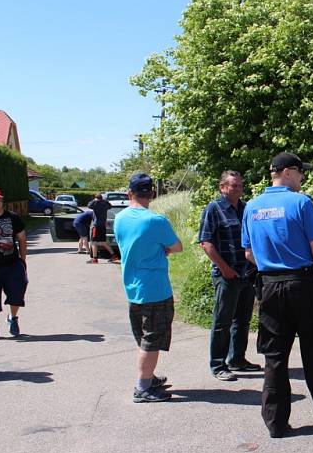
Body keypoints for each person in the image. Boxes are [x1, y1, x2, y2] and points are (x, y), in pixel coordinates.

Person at [242, 152, 313, 438]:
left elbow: (249, 253)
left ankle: (276, 422)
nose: (302, 178)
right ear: (288, 172)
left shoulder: (251, 207)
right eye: (301, 172)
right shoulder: (301, 202)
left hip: (269, 286)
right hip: (302, 284)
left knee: (274, 357)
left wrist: (271, 264)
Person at [114, 174, 183, 403]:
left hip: (133, 286)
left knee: (143, 336)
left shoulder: (120, 218)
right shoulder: (155, 220)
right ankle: (142, 387)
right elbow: (177, 246)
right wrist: (164, 250)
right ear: (152, 194)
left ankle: (149, 377)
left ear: (129, 193)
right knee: (152, 339)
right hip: (155, 288)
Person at [198, 170, 261, 382]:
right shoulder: (214, 209)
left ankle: (238, 359)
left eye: (240, 185)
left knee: (242, 320)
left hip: (246, 274)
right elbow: (206, 242)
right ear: (222, 187)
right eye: (234, 185)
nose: (238, 189)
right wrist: (224, 268)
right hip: (226, 275)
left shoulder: (246, 208)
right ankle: (218, 364)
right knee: (222, 321)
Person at [0, 188, 27, 338]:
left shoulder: (13, 217)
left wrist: (23, 260)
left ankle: (13, 318)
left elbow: (22, 238)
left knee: (17, 293)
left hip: (12, 264)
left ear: (2, 200)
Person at [86, 193, 118, 264]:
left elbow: (88, 205)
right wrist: (104, 201)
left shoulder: (95, 204)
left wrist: (94, 200)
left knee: (93, 242)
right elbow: (110, 206)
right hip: (103, 226)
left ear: (96, 198)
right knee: (103, 242)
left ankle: (94, 259)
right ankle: (114, 255)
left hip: (96, 226)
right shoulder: (105, 205)